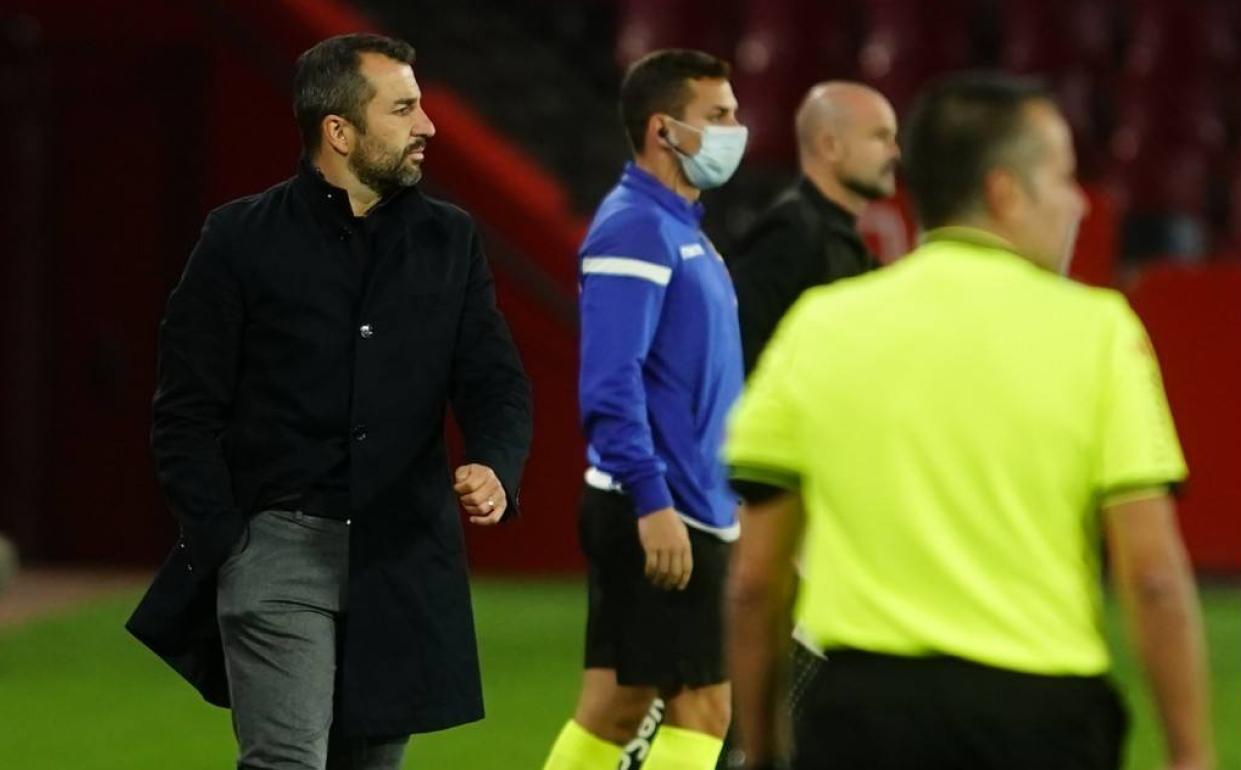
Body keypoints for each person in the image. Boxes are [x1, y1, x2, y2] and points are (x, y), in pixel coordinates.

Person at [723, 72, 1213, 770]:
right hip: (1039, 717)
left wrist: (764, 750)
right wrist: (1191, 755)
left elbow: (753, 584)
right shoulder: (1099, 332)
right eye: (1063, 177)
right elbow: (1154, 578)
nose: (1078, 203)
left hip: (861, 717)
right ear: (1004, 192)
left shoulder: (820, 326)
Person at [126, 33, 532, 770]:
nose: (427, 126)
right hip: (277, 551)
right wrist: (229, 542)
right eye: (403, 109)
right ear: (339, 132)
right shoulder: (238, 238)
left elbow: (494, 380)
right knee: (287, 761)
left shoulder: (450, 240)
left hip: (401, 560)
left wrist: (496, 464)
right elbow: (185, 410)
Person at [541, 49, 746, 770]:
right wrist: (654, 502)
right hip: (660, 508)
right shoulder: (636, 228)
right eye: (717, 115)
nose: (735, 130)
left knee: (619, 707)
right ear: (664, 129)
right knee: (702, 707)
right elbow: (610, 382)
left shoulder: (679, 229)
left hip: (689, 504)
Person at [729, 81, 899, 374]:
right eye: (880, 137)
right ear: (830, 146)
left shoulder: (836, 237)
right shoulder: (789, 235)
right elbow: (742, 353)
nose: (895, 152)